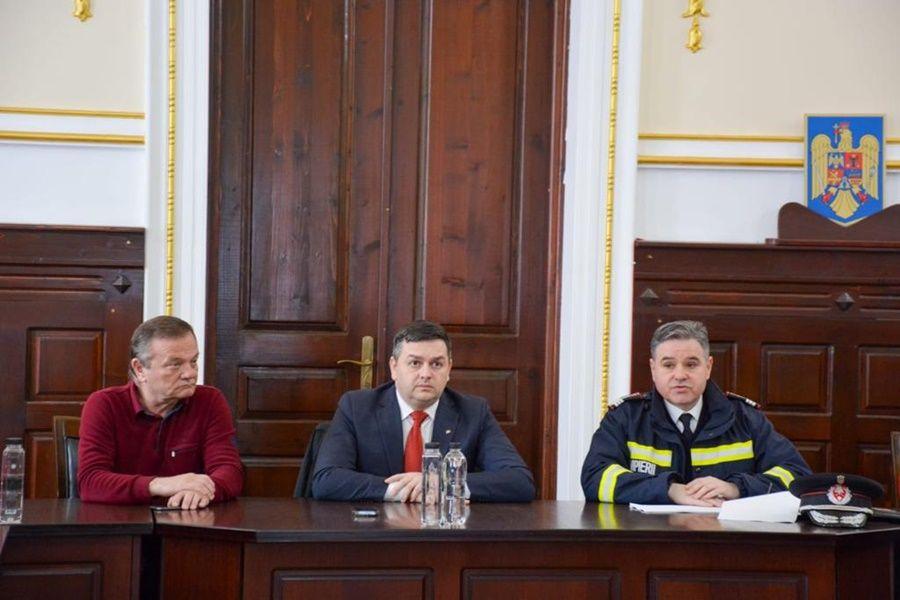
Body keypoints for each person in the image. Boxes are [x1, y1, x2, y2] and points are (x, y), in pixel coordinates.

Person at [581, 320, 811, 505]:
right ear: (653, 369)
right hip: (651, 541)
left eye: (691, 364)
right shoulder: (625, 418)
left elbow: (797, 477)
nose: (680, 375)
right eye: (668, 365)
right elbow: (595, 478)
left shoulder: (745, 418)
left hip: (727, 540)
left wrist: (736, 488)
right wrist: (668, 490)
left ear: (708, 367)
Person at [313, 320, 535, 502]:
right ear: (394, 367)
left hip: (446, 534)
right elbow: (327, 480)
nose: (426, 374)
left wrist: (444, 484)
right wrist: (404, 490)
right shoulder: (356, 407)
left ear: (449, 369)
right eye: (415, 363)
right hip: (376, 531)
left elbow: (519, 481)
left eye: (436, 364)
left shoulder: (473, 412)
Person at [78, 316, 243, 508]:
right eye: (175, 364)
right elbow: (90, 481)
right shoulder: (105, 404)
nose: (190, 373)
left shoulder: (210, 401)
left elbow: (230, 472)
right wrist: (162, 485)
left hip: (189, 520)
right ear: (140, 369)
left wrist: (202, 491)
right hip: (121, 521)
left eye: (193, 361)